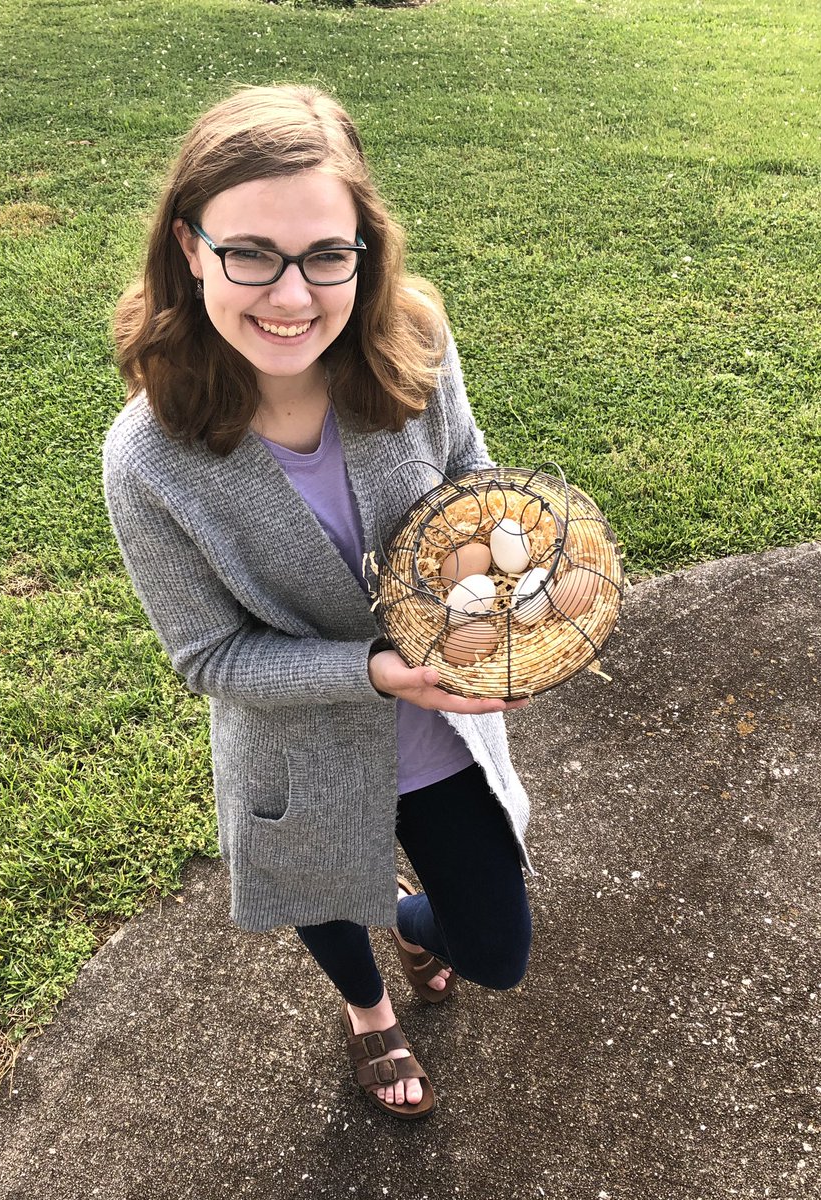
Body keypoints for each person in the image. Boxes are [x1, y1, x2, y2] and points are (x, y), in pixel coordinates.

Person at [103, 84, 534, 1120]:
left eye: (325, 255)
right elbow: (209, 657)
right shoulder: (148, 459)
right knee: (320, 893)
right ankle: (367, 1013)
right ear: (189, 248)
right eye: (251, 251)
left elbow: (470, 475)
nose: (292, 295)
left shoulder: (414, 344)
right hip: (297, 744)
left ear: (364, 252)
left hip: (441, 729)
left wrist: (507, 604)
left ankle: (415, 920)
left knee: (496, 948)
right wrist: (373, 674)